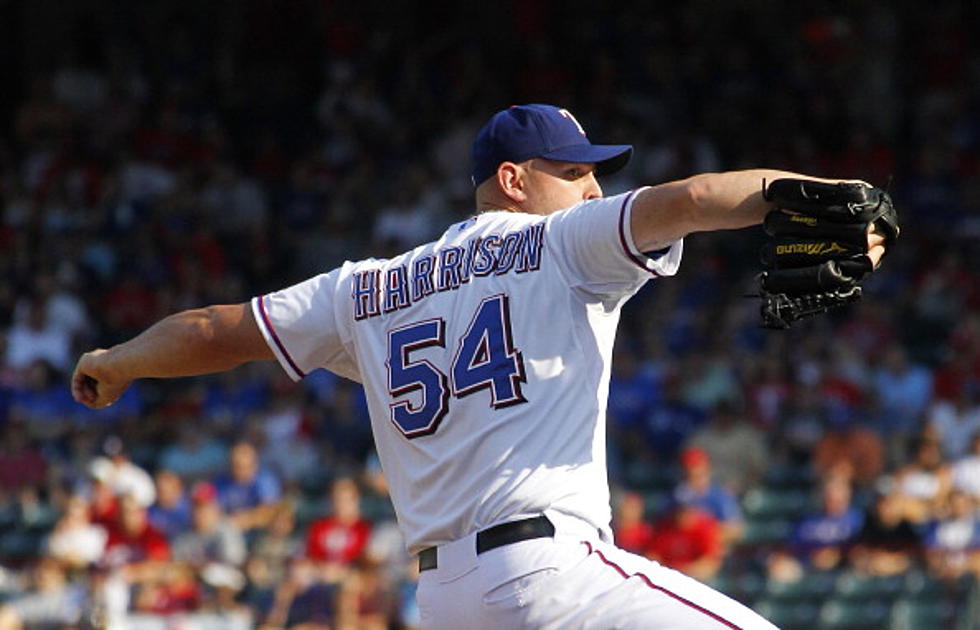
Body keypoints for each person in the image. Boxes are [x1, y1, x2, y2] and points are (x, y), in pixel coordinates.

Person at [73, 103, 888, 629]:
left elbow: (218, 327)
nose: (594, 185)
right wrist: (825, 189)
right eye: (575, 171)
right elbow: (699, 196)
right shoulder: (561, 239)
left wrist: (119, 360)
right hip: (550, 576)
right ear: (514, 180)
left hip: (445, 599)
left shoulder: (368, 290)